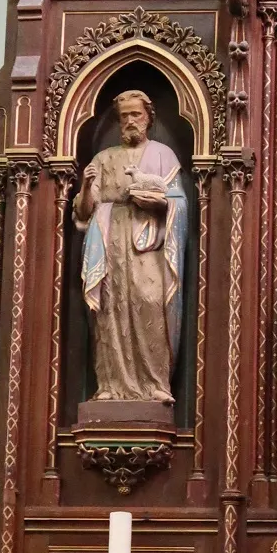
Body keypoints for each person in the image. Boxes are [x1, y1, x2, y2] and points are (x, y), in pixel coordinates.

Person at [74, 88, 187, 405]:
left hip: (146, 241)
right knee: (111, 309)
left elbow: (179, 201)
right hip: (108, 238)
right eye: (124, 116)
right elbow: (83, 211)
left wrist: (160, 203)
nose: (130, 121)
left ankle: (155, 383)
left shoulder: (163, 155)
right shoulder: (104, 159)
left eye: (136, 114)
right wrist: (85, 185)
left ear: (148, 117)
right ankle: (110, 385)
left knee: (149, 301)